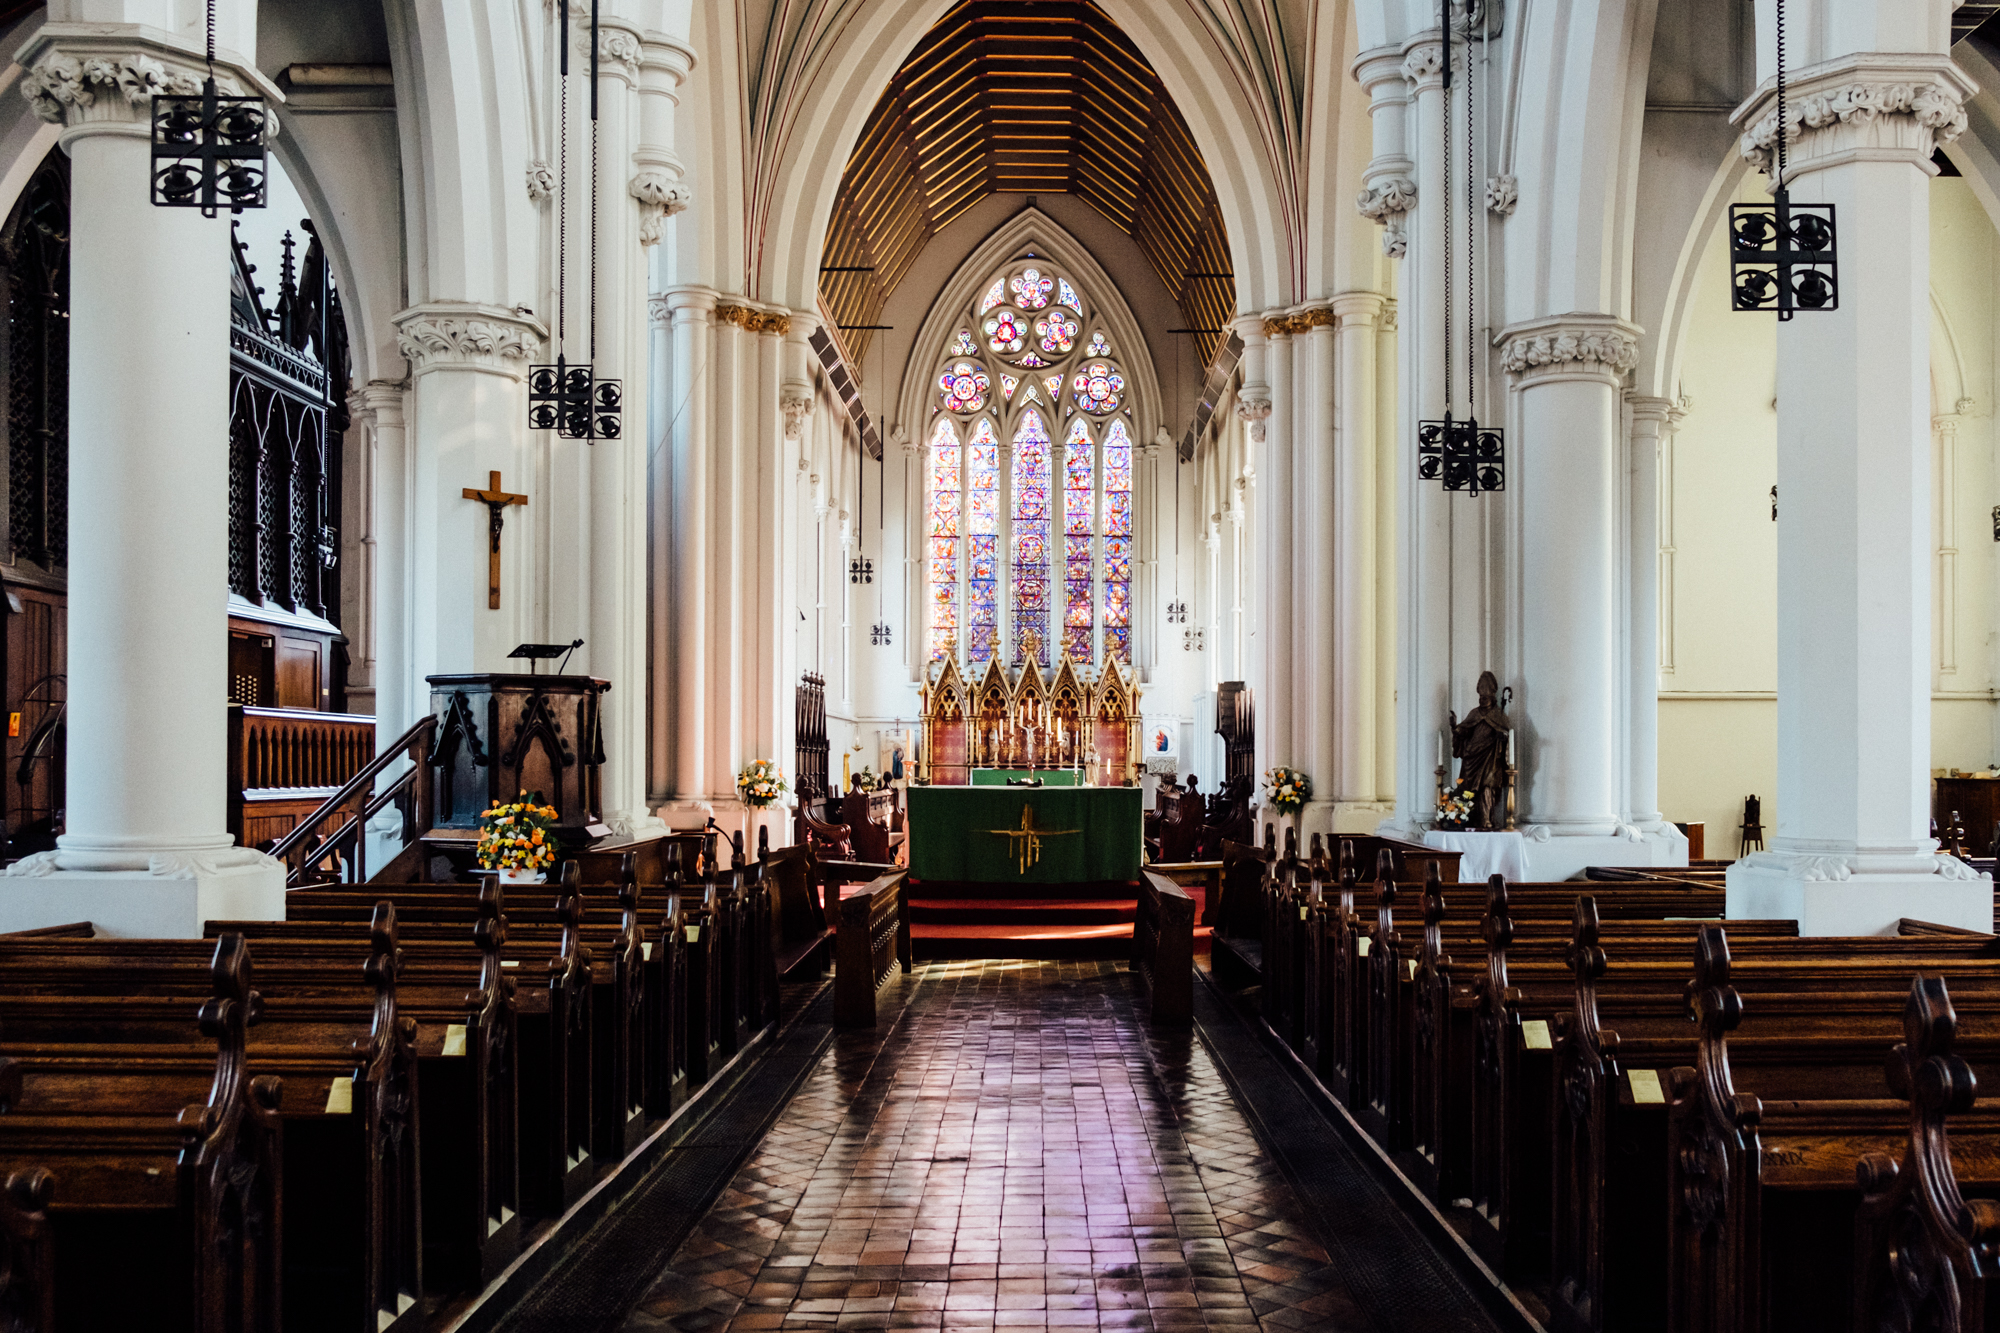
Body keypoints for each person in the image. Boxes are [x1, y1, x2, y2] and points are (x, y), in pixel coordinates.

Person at [1450, 671, 1514, 830]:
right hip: (1472, 759)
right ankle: (1468, 819)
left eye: (1486, 696)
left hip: (1491, 758)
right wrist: (1454, 727)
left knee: (1487, 787)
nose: (1483, 699)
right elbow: (1463, 731)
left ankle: (1486, 820)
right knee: (1468, 790)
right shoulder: (1474, 713)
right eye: (1481, 696)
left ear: (1492, 696)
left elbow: (1507, 734)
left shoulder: (1499, 715)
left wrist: (1502, 736)